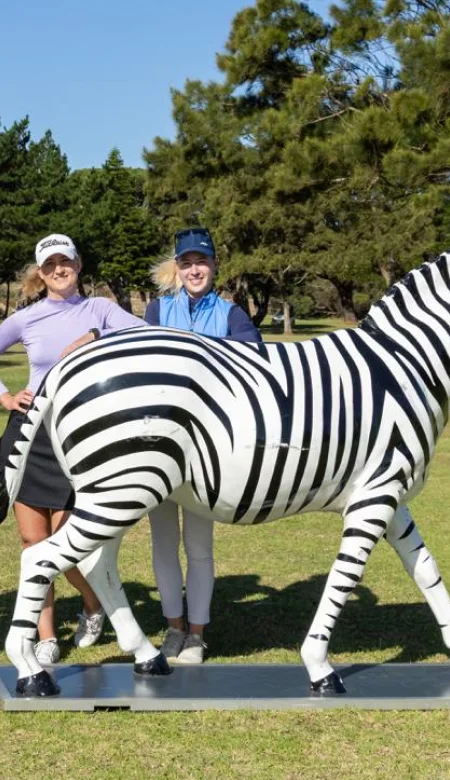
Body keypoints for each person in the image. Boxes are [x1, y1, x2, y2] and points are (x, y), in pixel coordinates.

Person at [0, 233, 145, 666]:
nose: (58, 270)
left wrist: (94, 336)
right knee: (33, 541)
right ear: (40, 272)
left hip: (81, 436)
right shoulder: (27, 317)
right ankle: (45, 635)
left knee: (71, 544)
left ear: (78, 265)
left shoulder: (100, 309)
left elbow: (146, 337)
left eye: (64, 262)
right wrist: (5, 396)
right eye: (49, 265)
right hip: (30, 431)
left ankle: (93, 605)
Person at [143, 226, 262, 664]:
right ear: (178, 267)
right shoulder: (157, 309)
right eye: (187, 262)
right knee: (162, 543)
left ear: (215, 266)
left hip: (208, 451)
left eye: (203, 262)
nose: (195, 269)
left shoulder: (233, 315)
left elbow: (253, 373)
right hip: (159, 445)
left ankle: (196, 634)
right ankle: (172, 628)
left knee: (199, 546)